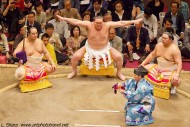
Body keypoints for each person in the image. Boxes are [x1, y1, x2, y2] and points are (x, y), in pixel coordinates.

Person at [57, 15, 142, 80]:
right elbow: (76, 21)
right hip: (89, 48)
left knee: (119, 57)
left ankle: (119, 73)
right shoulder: (88, 25)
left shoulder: (107, 25)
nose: (99, 25)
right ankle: (74, 71)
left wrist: (134, 21)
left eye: (101, 23)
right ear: (93, 22)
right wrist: (64, 19)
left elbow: (121, 23)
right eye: (97, 23)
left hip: (105, 48)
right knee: (75, 57)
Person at [13, 27, 56, 93]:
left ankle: (37, 78)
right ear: (28, 34)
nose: (35, 35)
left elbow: (46, 52)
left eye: (36, 33)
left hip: (38, 65)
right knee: (19, 74)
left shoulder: (39, 41)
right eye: (33, 34)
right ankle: (26, 79)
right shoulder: (24, 42)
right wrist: (22, 55)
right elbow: (14, 53)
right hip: (27, 66)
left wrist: (52, 62)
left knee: (53, 68)